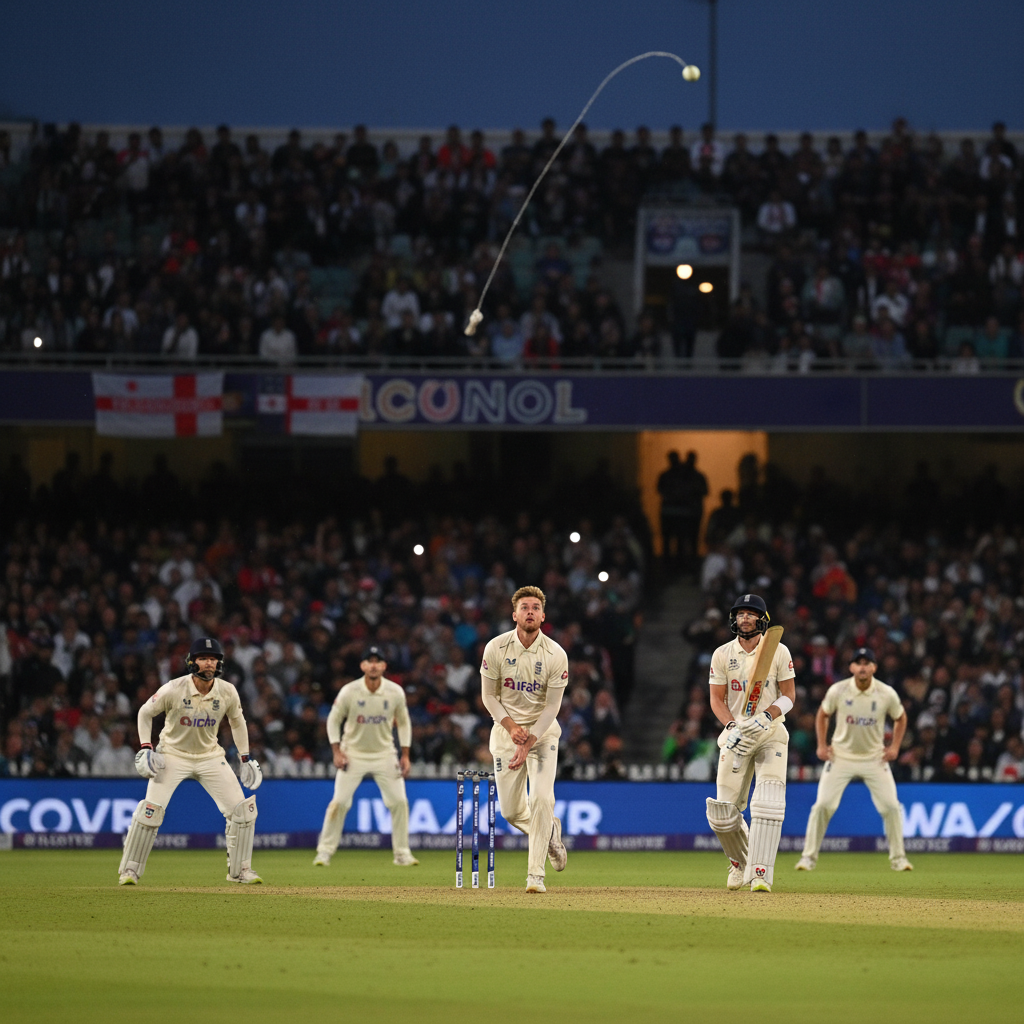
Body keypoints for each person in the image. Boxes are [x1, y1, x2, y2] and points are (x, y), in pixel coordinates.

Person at [120, 637, 263, 885]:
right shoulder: (174, 688)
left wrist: (245, 757)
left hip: (210, 756)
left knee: (243, 811)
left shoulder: (227, 690)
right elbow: (145, 712)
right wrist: (146, 747)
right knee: (150, 812)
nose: (209, 664)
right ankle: (129, 871)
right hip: (172, 754)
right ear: (192, 662)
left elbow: (238, 723)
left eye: (213, 659)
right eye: (203, 658)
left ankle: (240, 871)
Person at [479, 586, 568, 893]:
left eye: (535, 607)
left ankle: (535, 876)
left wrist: (529, 738)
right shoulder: (495, 648)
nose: (529, 611)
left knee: (542, 799)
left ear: (543, 616)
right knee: (511, 812)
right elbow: (489, 697)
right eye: (524, 607)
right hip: (505, 733)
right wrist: (511, 727)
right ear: (514, 614)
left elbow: (553, 707)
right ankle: (550, 834)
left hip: (542, 735)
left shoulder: (556, 654)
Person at [706, 595, 795, 893]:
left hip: (770, 733)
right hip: (737, 734)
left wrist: (767, 716)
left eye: (751, 614)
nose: (745, 618)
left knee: (768, 803)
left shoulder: (778, 651)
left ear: (762, 619)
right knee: (722, 814)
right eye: (740, 613)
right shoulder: (721, 654)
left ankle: (760, 873)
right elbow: (716, 700)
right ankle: (739, 862)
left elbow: (789, 696)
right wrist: (733, 726)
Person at [796, 648, 913, 872]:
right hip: (841, 756)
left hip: (874, 758)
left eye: (867, 663)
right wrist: (821, 745)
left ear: (874, 668)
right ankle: (808, 858)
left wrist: (895, 747)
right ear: (851, 668)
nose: (862, 667)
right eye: (858, 663)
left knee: (891, 806)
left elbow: (901, 717)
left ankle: (899, 859)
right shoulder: (838, 690)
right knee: (822, 805)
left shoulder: (886, 693)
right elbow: (822, 714)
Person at [313, 646, 418, 867]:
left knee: (399, 802)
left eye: (377, 661)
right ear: (362, 666)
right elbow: (333, 720)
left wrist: (405, 754)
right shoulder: (349, 691)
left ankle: (402, 854)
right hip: (353, 754)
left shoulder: (395, 691)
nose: (373, 665)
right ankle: (324, 852)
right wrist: (336, 751)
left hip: (385, 754)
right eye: (369, 661)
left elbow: (404, 722)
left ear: (384, 666)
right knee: (339, 802)